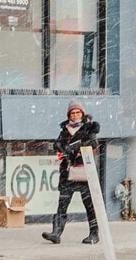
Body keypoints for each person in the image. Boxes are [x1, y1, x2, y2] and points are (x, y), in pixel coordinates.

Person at [43, 103, 101, 245]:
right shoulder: (65, 129)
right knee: (62, 204)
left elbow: (92, 144)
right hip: (68, 172)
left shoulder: (89, 128)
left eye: (77, 112)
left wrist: (75, 148)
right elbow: (58, 144)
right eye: (72, 113)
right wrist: (61, 148)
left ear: (82, 114)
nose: (75, 115)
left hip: (84, 172)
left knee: (90, 206)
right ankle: (56, 233)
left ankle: (94, 234)